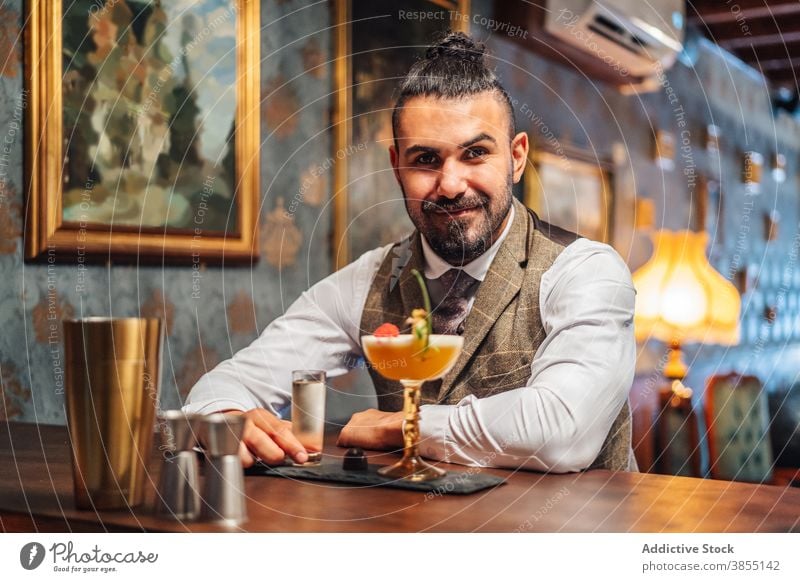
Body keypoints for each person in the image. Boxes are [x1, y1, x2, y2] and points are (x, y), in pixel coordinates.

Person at [183, 31, 637, 473]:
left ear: (516, 157)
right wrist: (223, 416)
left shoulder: (586, 272)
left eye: (475, 153)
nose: (452, 184)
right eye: (426, 159)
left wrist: (403, 426)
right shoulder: (367, 280)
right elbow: (229, 384)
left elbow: (562, 433)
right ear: (397, 167)